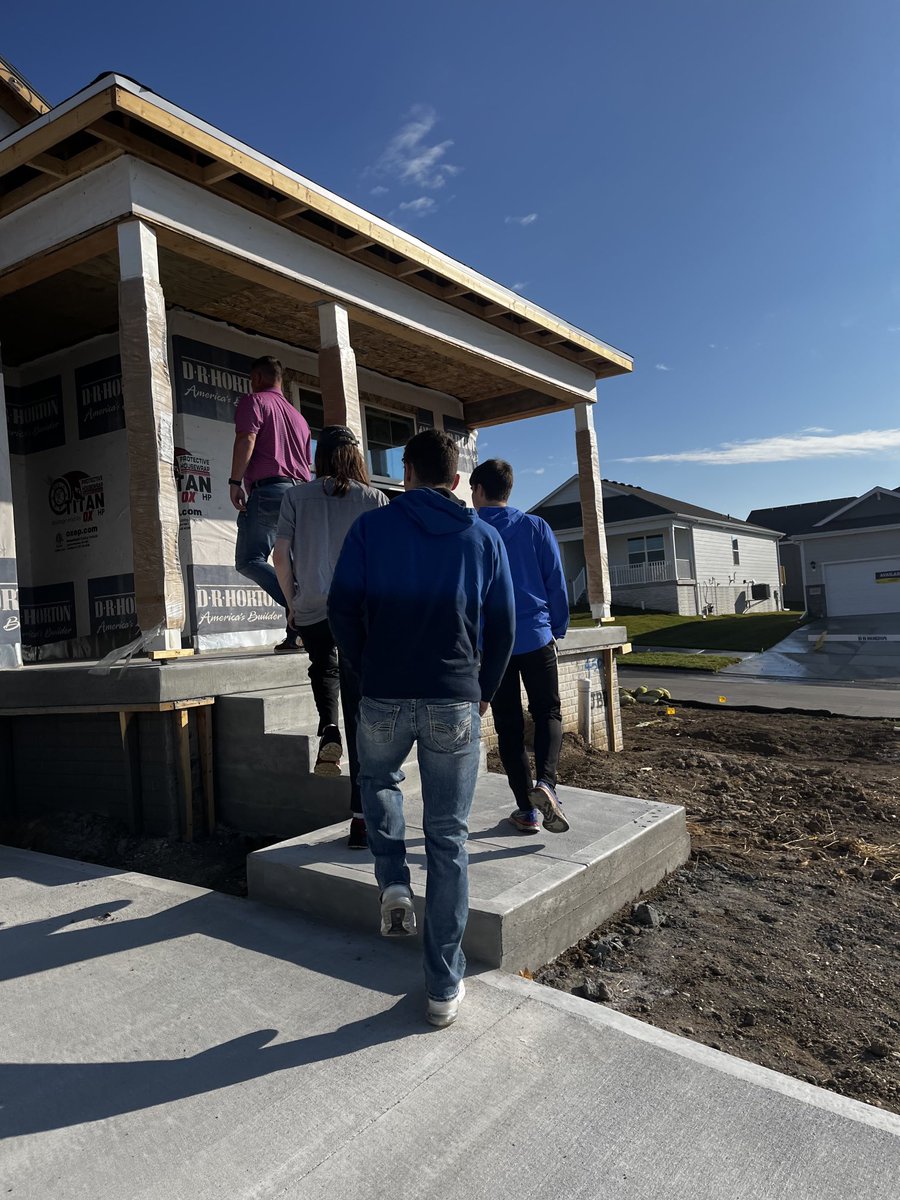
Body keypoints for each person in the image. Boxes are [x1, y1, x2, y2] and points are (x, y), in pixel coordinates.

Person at [329, 429, 514, 1027]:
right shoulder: (483, 538)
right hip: (453, 699)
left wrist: (366, 665)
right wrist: (481, 691)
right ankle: (442, 986)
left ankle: (391, 882)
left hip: (383, 691)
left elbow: (340, 609)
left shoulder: (369, 530)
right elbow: (504, 627)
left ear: (404, 471)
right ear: (457, 479)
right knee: (449, 840)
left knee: (377, 782)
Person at [273, 426, 388, 848]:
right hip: (358, 610)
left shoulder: (294, 496)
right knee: (360, 708)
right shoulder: (374, 499)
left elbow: (279, 556)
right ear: (357, 457)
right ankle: (360, 819)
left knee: (322, 666)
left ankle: (327, 729)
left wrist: (293, 601)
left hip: (312, 607)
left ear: (319, 458)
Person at [470, 458, 570, 835]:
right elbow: (555, 582)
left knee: (509, 727)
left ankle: (526, 812)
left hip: (494, 647)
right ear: (508, 490)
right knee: (547, 713)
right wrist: (556, 628)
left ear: (478, 490)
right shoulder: (535, 526)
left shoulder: (471, 530)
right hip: (536, 637)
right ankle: (546, 784)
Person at [229, 355, 312, 653]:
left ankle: (303, 614)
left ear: (258, 378)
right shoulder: (299, 418)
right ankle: (296, 635)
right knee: (291, 566)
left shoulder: (255, 401)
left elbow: (246, 439)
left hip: (270, 491)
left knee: (249, 559)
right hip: (301, 494)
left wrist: (235, 481)